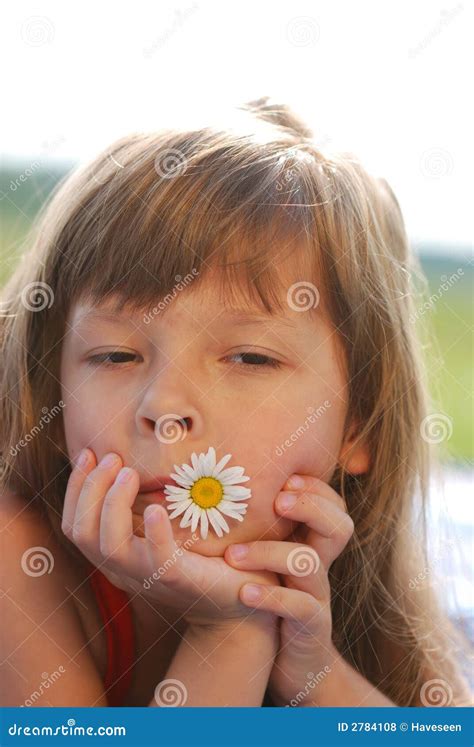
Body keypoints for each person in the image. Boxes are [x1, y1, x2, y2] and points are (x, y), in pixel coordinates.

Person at [1, 96, 471, 707]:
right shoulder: (18, 557)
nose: (164, 406)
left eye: (249, 358)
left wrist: (312, 673)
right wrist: (231, 630)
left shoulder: (345, 619)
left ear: (361, 426)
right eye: (116, 356)